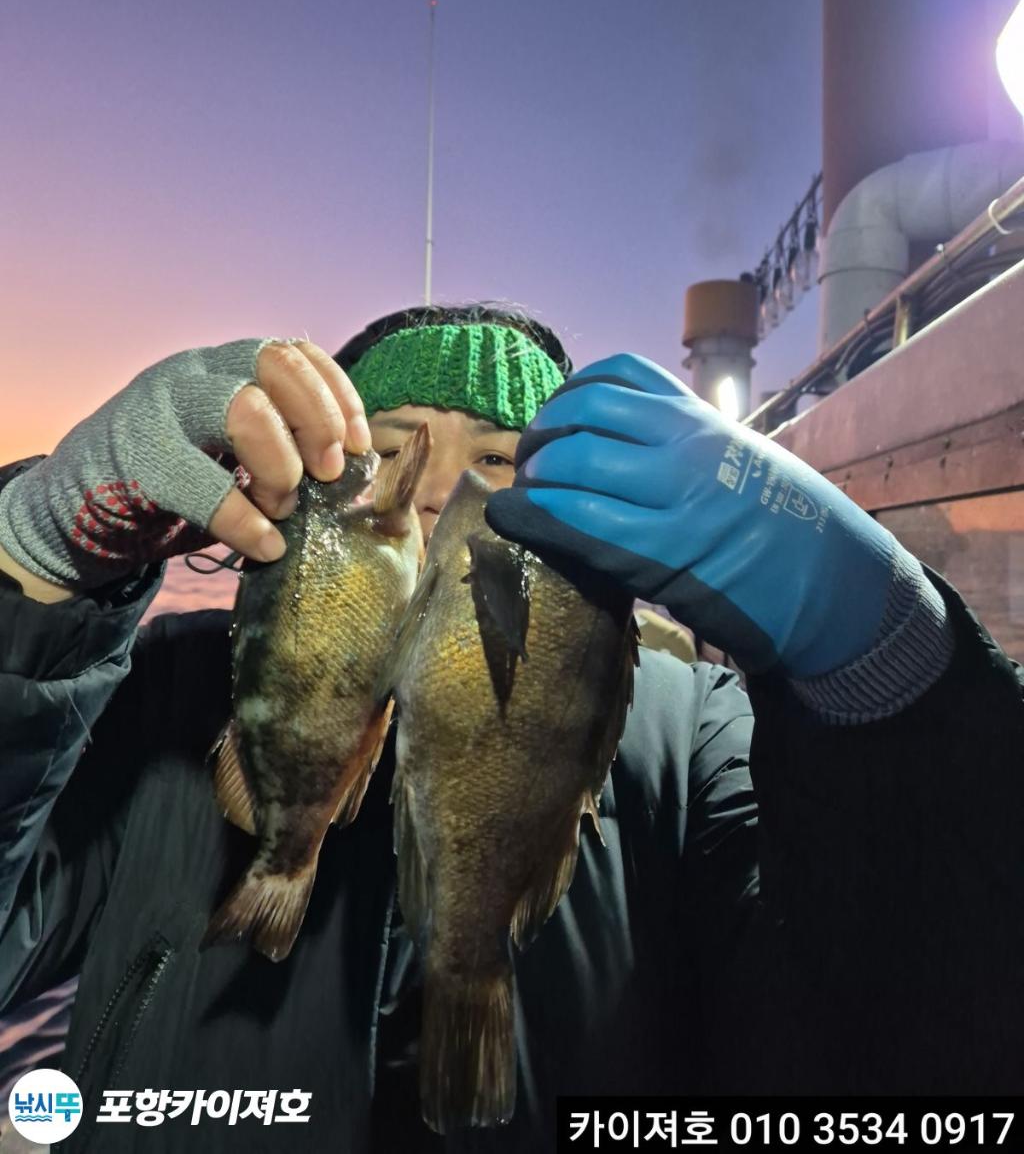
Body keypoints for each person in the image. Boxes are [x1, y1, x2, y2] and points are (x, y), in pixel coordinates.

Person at [0, 303, 1021, 1154]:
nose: (441, 492)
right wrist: (31, 566)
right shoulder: (161, 689)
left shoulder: (699, 731)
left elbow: (928, 1039)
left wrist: (897, 677)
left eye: (499, 458)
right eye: (390, 452)